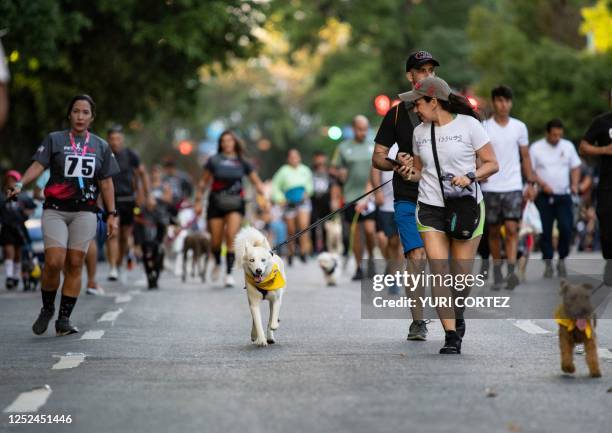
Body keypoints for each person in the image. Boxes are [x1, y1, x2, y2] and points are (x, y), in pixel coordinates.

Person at [397, 76, 498, 354]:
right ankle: (451, 334)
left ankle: (458, 311)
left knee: (461, 277)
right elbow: (419, 173)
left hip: (466, 206)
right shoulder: (420, 133)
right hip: (430, 208)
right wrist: (406, 171)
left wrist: (471, 176)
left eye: (418, 103)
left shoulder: (470, 126)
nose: (415, 109)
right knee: (439, 271)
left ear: (434, 101)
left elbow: (492, 164)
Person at [7, 94, 119, 336]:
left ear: (92, 117)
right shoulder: (54, 140)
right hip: (56, 210)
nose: (80, 116)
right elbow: (38, 166)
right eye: (76, 111)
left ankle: (64, 319)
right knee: (54, 261)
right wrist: (20, 185)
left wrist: (112, 213)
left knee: (75, 263)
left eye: (85, 112)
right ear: (70, 114)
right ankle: (47, 307)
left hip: (85, 211)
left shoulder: (100, 146)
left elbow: (107, 183)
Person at [372, 50, 439, 340]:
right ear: (410, 76)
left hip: (441, 195)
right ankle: (418, 321)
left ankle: (453, 317)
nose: (427, 75)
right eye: (421, 70)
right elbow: (378, 157)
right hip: (407, 195)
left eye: (431, 70)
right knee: (416, 254)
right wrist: (397, 164)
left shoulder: (447, 109)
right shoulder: (396, 113)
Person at [194, 130, 266, 287]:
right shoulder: (214, 160)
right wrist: (198, 201)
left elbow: (256, 182)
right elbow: (202, 182)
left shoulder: (243, 162)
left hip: (235, 204)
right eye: (224, 141)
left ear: (235, 143)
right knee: (215, 241)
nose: (227, 143)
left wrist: (264, 198)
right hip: (216, 203)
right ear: (220, 144)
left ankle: (228, 273)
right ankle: (217, 263)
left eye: (230, 140)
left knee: (231, 236)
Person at [481, 85, 536, 290]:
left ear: (511, 103)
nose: (504, 105)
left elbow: (525, 156)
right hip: (491, 186)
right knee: (494, 231)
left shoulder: (519, 127)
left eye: (507, 101)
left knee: (512, 228)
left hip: (513, 184)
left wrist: (530, 183)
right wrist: (481, 171)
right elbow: (478, 153)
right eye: (500, 100)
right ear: (494, 102)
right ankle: (497, 272)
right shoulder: (484, 126)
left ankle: (511, 271)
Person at [530, 119, 581, 277]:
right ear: (547, 133)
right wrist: (542, 184)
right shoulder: (536, 148)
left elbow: (575, 167)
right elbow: (530, 171)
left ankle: (562, 259)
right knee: (545, 231)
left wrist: (575, 184)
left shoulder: (568, 146)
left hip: (563, 195)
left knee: (566, 228)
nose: (556, 138)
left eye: (559, 135)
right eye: (553, 135)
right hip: (544, 196)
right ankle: (548, 262)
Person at [332, 115, 377, 280]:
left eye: (365, 129)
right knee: (357, 234)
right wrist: (340, 174)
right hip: (351, 196)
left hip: (370, 195)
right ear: (353, 129)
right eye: (359, 129)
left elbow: (379, 170)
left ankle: (371, 257)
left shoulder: (373, 145)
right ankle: (359, 267)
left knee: (370, 230)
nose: (362, 132)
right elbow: (335, 172)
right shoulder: (343, 148)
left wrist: (372, 192)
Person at [106, 124, 151, 281]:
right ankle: (112, 267)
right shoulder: (104, 154)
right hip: (112, 200)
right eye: (112, 139)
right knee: (113, 233)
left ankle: (118, 263)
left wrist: (146, 195)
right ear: (108, 140)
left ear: (122, 139)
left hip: (129, 200)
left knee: (125, 236)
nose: (115, 142)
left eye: (118, 139)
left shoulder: (130, 155)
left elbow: (143, 173)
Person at [579, 110, 612, 285]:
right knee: (607, 228)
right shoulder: (602, 122)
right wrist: (604, 149)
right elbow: (583, 147)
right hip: (608, 185)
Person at [271, 148, 314, 265]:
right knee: (291, 229)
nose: (294, 159)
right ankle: (291, 251)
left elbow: (310, 184)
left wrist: (307, 192)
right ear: (288, 159)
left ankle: (304, 251)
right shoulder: (283, 171)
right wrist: (280, 199)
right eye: (292, 157)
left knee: (304, 226)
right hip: (289, 201)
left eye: (296, 157)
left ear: (299, 158)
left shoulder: (305, 170)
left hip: (302, 200)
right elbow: (275, 186)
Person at [0, 170, 35, 289]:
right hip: (7, 226)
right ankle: (9, 276)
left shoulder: (23, 197)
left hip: (20, 226)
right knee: (8, 250)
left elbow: (31, 208)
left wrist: (26, 213)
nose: (11, 183)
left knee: (18, 253)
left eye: (14, 180)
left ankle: (16, 276)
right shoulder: (2, 196)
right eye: (9, 180)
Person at [310, 151, 334, 254]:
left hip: (326, 199)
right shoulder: (310, 172)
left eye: (322, 158)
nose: (320, 161)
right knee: (313, 224)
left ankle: (325, 247)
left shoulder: (329, 172)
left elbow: (334, 186)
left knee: (326, 225)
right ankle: (314, 248)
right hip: (313, 200)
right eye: (317, 158)